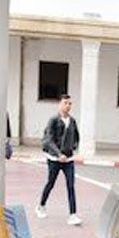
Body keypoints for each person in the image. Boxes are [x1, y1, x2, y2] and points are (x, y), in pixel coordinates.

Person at [37, 94, 82, 226]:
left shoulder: (72, 121)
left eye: (70, 103)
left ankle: (73, 215)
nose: (68, 106)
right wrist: (58, 154)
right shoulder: (53, 120)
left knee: (71, 186)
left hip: (68, 160)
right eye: (65, 103)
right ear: (60, 105)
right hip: (54, 159)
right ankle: (41, 206)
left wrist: (72, 149)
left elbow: (76, 137)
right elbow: (48, 140)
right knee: (50, 183)